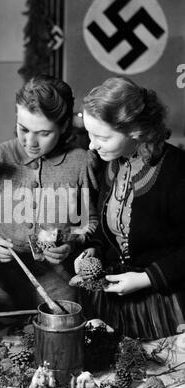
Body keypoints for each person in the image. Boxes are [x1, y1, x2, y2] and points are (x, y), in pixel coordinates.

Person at [0, 75, 99, 312]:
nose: (31, 142)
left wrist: (70, 242)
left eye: (44, 133)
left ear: (64, 127)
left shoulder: (81, 162)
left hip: (60, 291)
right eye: (23, 129)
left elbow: (92, 223)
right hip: (0, 290)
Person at [75, 76, 185, 340]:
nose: (91, 144)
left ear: (135, 131)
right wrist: (94, 249)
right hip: (112, 303)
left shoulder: (177, 170)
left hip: (164, 305)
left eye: (101, 136)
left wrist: (146, 278)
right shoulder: (110, 163)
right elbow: (111, 229)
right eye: (89, 133)